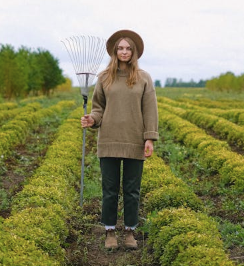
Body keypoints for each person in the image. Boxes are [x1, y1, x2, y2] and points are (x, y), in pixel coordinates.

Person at [80, 29, 159, 250]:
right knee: (110, 190)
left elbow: (150, 110)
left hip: (134, 140)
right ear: (115, 51)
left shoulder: (144, 78)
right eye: (121, 48)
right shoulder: (104, 77)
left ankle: (130, 232)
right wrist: (91, 119)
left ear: (134, 52)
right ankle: (110, 231)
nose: (124, 51)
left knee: (132, 190)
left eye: (128, 48)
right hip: (109, 141)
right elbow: (98, 109)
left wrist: (149, 138)